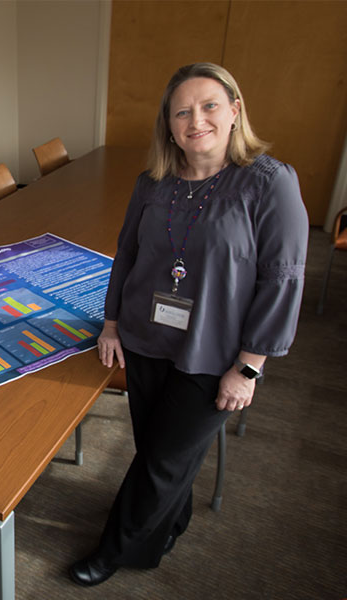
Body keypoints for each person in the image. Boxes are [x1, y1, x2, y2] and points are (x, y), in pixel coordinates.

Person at [69, 63, 308, 586]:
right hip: (146, 338)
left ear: (235, 111)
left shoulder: (270, 183)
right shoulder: (152, 182)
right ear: (169, 125)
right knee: (158, 448)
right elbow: (126, 255)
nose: (195, 119)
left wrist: (249, 368)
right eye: (182, 111)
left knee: (159, 463)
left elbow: (283, 279)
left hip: (216, 352)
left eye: (209, 106)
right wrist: (110, 323)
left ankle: (112, 551)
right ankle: (172, 522)